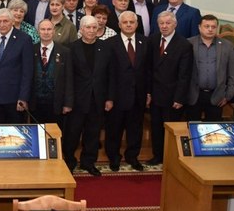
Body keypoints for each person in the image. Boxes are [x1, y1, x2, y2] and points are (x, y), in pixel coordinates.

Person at [64, 15, 113, 176]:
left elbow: (111, 75)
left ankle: (88, 162)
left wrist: (109, 98)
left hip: (98, 99)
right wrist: (68, 101)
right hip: (77, 100)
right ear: (81, 29)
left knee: (93, 133)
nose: (91, 30)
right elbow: (67, 77)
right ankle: (69, 161)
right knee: (72, 133)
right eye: (88, 27)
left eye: (94, 27)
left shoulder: (105, 48)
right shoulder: (71, 49)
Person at [105, 11, 150, 172]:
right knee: (114, 129)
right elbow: (107, 73)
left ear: (137, 24)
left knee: (135, 129)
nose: (129, 25)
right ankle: (114, 158)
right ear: (119, 24)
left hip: (138, 95)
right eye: (125, 22)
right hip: (116, 96)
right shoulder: (110, 43)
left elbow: (148, 70)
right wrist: (109, 97)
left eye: (132, 22)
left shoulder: (145, 42)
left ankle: (132, 157)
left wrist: (148, 93)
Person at [147, 11, 193, 165]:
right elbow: (148, 68)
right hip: (155, 94)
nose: (164, 26)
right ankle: (157, 156)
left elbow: (185, 74)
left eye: (168, 23)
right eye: (161, 23)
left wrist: (179, 97)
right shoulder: (152, 40)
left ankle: (170, 158)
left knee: (170, 129)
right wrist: (148, 92)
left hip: (172, 96)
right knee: (156, 127)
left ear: (175, 24)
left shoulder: (184, 44)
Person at [31, 20, 73, 155]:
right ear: (38, 32)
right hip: (35, 103)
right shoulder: (31, 50)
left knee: (55, 135)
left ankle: (56, 159)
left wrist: (68, 103)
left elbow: (69, 79)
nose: (46, 32)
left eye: (49, 29)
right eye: (43, 29)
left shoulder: (65, 51)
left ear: (54, 31)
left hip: (56, 103)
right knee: (37, 135)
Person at [0, 8, 33, 123]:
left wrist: (23, 97)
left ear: (12, 22)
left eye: (5, 21)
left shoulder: (24, 39)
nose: (2, 24)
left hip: (14, 98)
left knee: (16, 131)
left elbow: (28, 71)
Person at [187, 15, 234, 122]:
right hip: (193, 95)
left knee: (214, 129)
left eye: (213, 27)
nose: (210, 29)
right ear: (199, 27)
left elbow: (232, 73)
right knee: (192, 128)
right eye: (207, 26)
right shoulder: (189, 43)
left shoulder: (227, 46)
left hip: (217, 96)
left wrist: (228, 96)